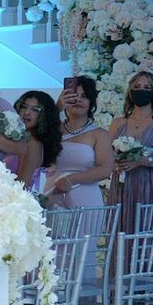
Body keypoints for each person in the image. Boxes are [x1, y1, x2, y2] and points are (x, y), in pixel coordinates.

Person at [108, 70, 153, 232]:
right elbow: (106, 155)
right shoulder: (118, 123)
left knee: (144, 232)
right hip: (121, 184)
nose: (141, 90)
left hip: (148, 185)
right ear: (130, 91)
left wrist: (141, 161)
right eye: (137, 86)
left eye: (146, 87)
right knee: (119, 232)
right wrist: (114, 162)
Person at [46, 77, 114, 208]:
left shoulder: (99, 134)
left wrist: (71, 180)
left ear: (91, 102)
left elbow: (105, 169)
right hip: (53, 193)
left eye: (84, 96)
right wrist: (57, 108)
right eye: (73, 96)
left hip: (86, 198)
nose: (78, 100)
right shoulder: (52, 130)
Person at [8, 90, 63, 191]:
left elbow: (21, 185)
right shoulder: (18, 139)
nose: (26, 113)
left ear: (45, 115)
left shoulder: (32, 143)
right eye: (24, 107)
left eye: (35, 110)